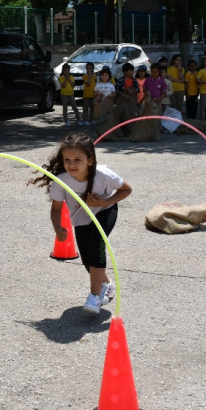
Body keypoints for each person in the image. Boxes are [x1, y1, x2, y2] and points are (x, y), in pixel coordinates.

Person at [29, 133, 132, 314]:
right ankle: (105, 284)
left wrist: (104, 203)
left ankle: (94, 296)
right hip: (82, 217)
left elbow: (126, 189)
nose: (71, 164)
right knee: (87, 260)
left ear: (90, 160)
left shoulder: (103, 174)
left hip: (105, 210)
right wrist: (57, 228)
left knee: (97, 244)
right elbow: (56, 209)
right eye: (67, 160)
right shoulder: (62, 180)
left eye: (78, 160)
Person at [115, 62, 139, 136]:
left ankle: (130, 132)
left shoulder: (134, 80)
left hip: (131, 101)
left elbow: (138, 90)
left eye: (132, 70)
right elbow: (117, 90)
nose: (132, 72)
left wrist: (132, 91)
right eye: (130, 71)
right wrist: (124, 95)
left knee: (131, 115)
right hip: (122, 100)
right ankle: (122, 132)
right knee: (121, 115)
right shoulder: (120, 80)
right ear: (125, 72)